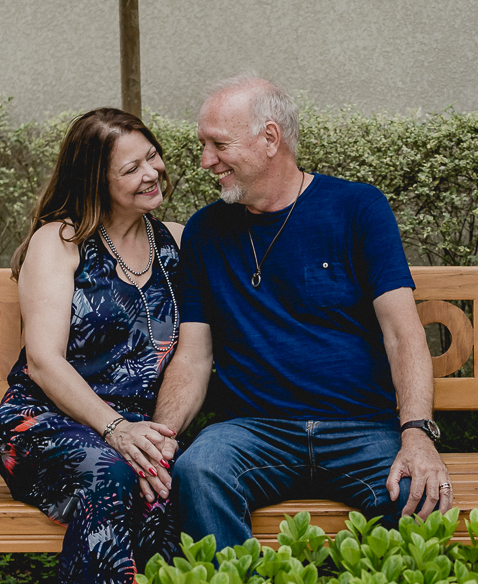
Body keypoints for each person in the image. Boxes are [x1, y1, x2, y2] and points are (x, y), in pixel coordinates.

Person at [141, 74, 451, 547]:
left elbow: (403, 334)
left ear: (270, 138)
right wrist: (164, 435)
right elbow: (193, 356)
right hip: (252, 432)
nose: (206, 162)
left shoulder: (357, 208)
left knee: (415, 491)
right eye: (202, 145)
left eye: (218, 145)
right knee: (198, 470)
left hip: (361, 429)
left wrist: (417, 434)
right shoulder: (206, 231)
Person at [0, 108, 183, 584]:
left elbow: (196, 354)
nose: (152, 171)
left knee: (159, 484)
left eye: (153, 155)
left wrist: (154, 435)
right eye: (131, 167)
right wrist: (119, 429)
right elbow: (43, 361)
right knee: (109, 471)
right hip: (44, 424)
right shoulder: (61, 241)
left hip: (132, 437)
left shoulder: (178, 244)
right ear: (95, 178)